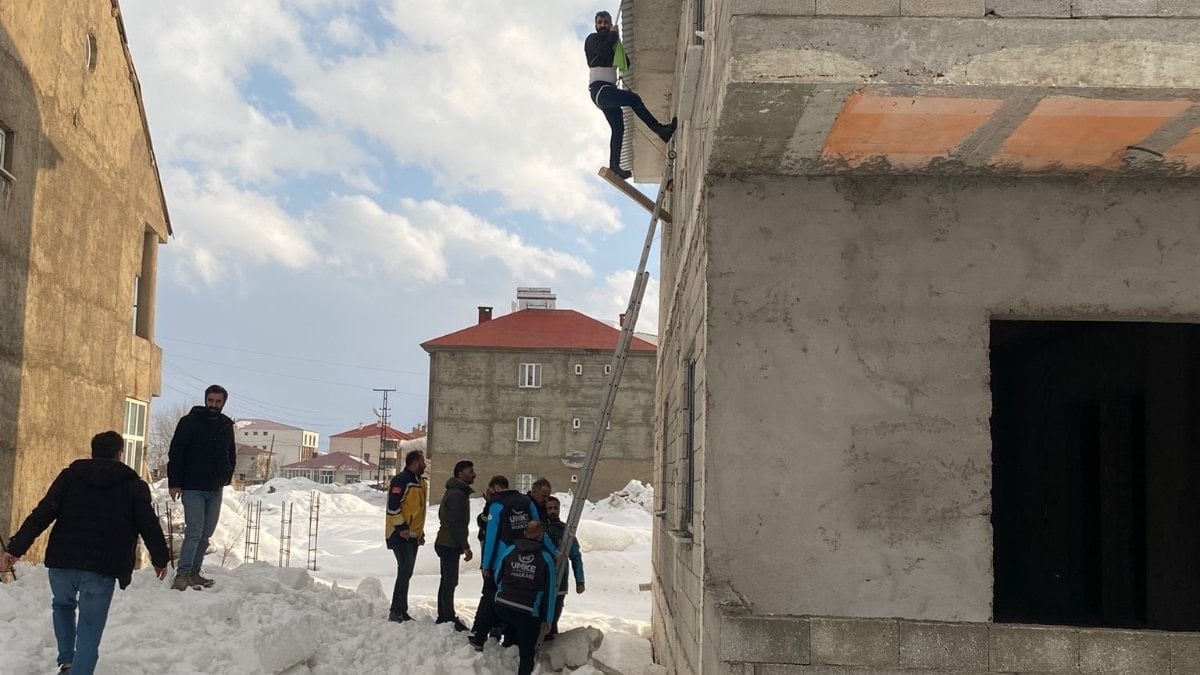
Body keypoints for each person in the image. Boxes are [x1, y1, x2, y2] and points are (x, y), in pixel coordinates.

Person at [0, 431, 170, 675]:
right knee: (90, 627)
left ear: (93, 452)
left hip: (63, 560)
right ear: (119, 453)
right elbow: (148, 523)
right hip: (102, 566)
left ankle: (67, 662)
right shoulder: (133, 485)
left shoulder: (70, 476)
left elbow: (43, 512)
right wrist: (160, 558)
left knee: (62, 606)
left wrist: (16, 548)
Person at [585, 10, 677, 179]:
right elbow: (603, 50)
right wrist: (613, 36)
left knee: (619, 128)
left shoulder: (612, 42)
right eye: (600, 22)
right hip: (600, 91)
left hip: (607, 91)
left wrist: (617, 41)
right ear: (595, 25)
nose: (603, 25)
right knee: (633, 99)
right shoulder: (592, 40)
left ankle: (614, 166)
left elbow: (625, 63)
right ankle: (660, 130)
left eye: (606, 22)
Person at [167, 384, 236, 591]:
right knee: (194, 531)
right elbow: (176, 452)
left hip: (215, 488)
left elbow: (230, 453)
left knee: (206, 533)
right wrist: (174, 482)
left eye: (218, 402)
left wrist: (226, 476)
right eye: (210, 401)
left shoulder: (225, 425)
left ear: (223, 403)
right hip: (193, 486)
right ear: (205, 400)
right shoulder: (189, 422)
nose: (213, 405)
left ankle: (194, 572)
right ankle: (182, 574)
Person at [468, 478, 543, 649]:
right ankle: (511, 639)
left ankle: (478, 635)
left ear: (495, 488)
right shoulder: (527, 502)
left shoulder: (497, 505)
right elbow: (538, 527)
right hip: (523, 559)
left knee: (490, 596)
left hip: (499, 562)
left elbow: (491, 536)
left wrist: (486, 565)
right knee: (515, 599)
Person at [492, 520, 558, 675]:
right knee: (527, 653)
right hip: (527, 611)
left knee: (511, 631)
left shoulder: (510, 550)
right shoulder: (546, 558)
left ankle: (501, 660)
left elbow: (497, 576)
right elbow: (550, 592)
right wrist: (548, 620)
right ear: (541, 536)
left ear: (525, 533)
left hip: (502, 605)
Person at [385, 449, 428, 623]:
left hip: (413, 535)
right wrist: (401, 526)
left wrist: (420, 532)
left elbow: (418, 511)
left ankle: (402, 610)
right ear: (416, 463)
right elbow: (392, 506)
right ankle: (396, 610)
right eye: (423, 461)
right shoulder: (401, 481)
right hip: (399, 534)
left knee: (407, 571)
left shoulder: (420, 482)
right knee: (405, 570)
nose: (425, 464)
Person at [433, 459, 476, 630]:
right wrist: (465, 546)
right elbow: (456, 523)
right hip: (449, 543)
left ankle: (444, 615)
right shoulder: (457, 494)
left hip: (447, 542)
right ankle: (447, 618)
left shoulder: (456, 492)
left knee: (447, 580)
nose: (474, 474)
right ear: (460, 474)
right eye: (470, 471)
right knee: (450, 580)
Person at [543, 495, 585, 640]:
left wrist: (580, 581)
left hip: (560, 582)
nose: (553, 511)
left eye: (555, 508)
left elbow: (575, 556)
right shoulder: (539, 529)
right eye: (549, 508)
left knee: (553, 619)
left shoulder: (565, 531)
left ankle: (551, 655)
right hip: (541, 581)